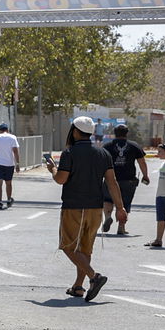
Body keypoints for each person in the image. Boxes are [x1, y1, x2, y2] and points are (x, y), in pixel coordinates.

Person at [46, 115, 124, 301]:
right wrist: (120, 208)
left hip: (74, 206)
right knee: (85, 249)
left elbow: (61, 179)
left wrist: (53, 170)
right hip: (95, 209)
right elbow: (112, 183)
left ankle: (94, 277)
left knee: (67, 246)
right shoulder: (103, 153)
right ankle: (78, 287)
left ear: (74, 131)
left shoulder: (70, 153)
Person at [101, 125, 150, 235]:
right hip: (128, 180)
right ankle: (121, 227)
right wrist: (145, 175)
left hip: (110, 179)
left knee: (108, 200)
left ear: (115, 133)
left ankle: (108, 217)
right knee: (125, 203)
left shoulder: (107, 146)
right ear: (127, 133)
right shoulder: (134, 145)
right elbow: (142, 162)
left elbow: (100, 162)